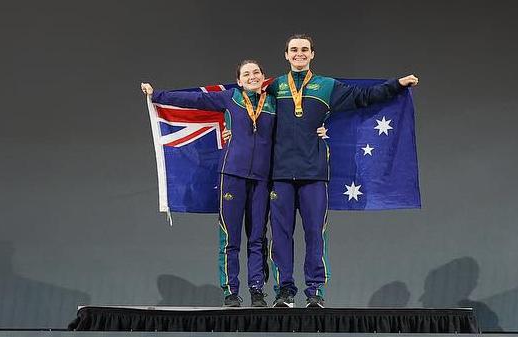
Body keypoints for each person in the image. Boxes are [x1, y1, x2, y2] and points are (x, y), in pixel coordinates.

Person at [141, 60, 327, 307]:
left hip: (262, 180)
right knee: (230, 238)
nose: (252, 77)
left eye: (256, 73)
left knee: (258, 238)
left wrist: (322, 129)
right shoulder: (229, 98)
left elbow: (298, 121)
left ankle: (257, 290)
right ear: (239, 80)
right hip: (232, 176)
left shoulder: (274, 102)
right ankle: (231, 291)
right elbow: (195, 101)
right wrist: (158, 95)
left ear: (263, 77)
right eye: (246, 74)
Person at [265, 34, 419, 308]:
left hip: (314, 173)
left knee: (315, 234)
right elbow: (246, 107)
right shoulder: (274, 87)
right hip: (280, 174)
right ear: (286, 55)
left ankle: (315, 292)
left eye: (304, 49)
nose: (299, 54)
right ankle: (284, 291)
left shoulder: (327, 86)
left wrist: (397, 84)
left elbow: (364, 97)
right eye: (293, 50)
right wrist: (231, 126)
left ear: (312, 54)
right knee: (280, 236)